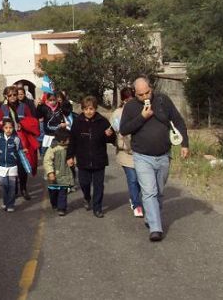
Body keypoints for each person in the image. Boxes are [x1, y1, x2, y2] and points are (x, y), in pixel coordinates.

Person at [119, 77, 190, 242]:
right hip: (142, 156)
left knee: (158, 192)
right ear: (135, 93)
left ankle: (150, 217)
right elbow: (124, 129)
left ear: (151, 88)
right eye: (140, 94)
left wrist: (185, 144)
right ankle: (156, 228)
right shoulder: (130, 106)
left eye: (147, 93)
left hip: (164, 155)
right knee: (149, 192)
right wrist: (142, 117)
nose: (145, 97)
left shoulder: (162, 100)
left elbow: (178, 120)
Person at [69, 95, 115, 218]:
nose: (89, 112)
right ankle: (86, 196)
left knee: (99, 185)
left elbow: (111, 139)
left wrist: (109, 135)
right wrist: (70, 156)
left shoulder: (103, 121)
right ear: (82, 109)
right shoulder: (77, 122)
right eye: (86, 109)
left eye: (91, 109)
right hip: (83, 159)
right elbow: (72, 140)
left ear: (95, 109)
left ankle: (97, 208)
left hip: (99, 159)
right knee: (84, 183)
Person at [0, 86, 38, 200]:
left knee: (22, 165)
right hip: (9, 140)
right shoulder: (3, 108)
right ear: (6, 96)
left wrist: (23, 123)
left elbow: (31, 121)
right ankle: (14, 189)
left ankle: (23, 189)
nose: (12, 97)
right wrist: (4, 125)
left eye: (14, 95)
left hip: (22, 139)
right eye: (10, 95)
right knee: (12, 165)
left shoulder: (24, 107)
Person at [111, 87, 144, 218]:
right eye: (128, 99)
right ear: (124, 100)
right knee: (133, 178)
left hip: (141, 151)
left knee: (142, 179)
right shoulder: (117, 114)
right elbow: (116, 132)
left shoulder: (143, 110)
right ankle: (137, 204)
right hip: (125, 152)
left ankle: (134, 197)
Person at [0, 118, 25, 212]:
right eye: (6, 128)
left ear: (13, 128)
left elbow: (20, 151)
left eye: (10, 127)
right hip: (1, 166)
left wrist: (23, 152)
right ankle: (5, 202)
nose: (8, 130)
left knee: (12, 186)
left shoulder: (16, 139)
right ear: (3, 128)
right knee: (4, 186)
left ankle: (11, 205)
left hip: (13, 166)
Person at [43, 128, 74, 216]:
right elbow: (47, 161)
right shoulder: (53, 148)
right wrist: (50, 172)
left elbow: (73, 156)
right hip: (54, 176)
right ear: (62, 140)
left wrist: (73, 160)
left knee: (63, 192)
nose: (69, 140)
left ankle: (62, 208)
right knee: (53, 192)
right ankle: (54, 204)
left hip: (64, 174)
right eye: (68, 139)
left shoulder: (69, 148)